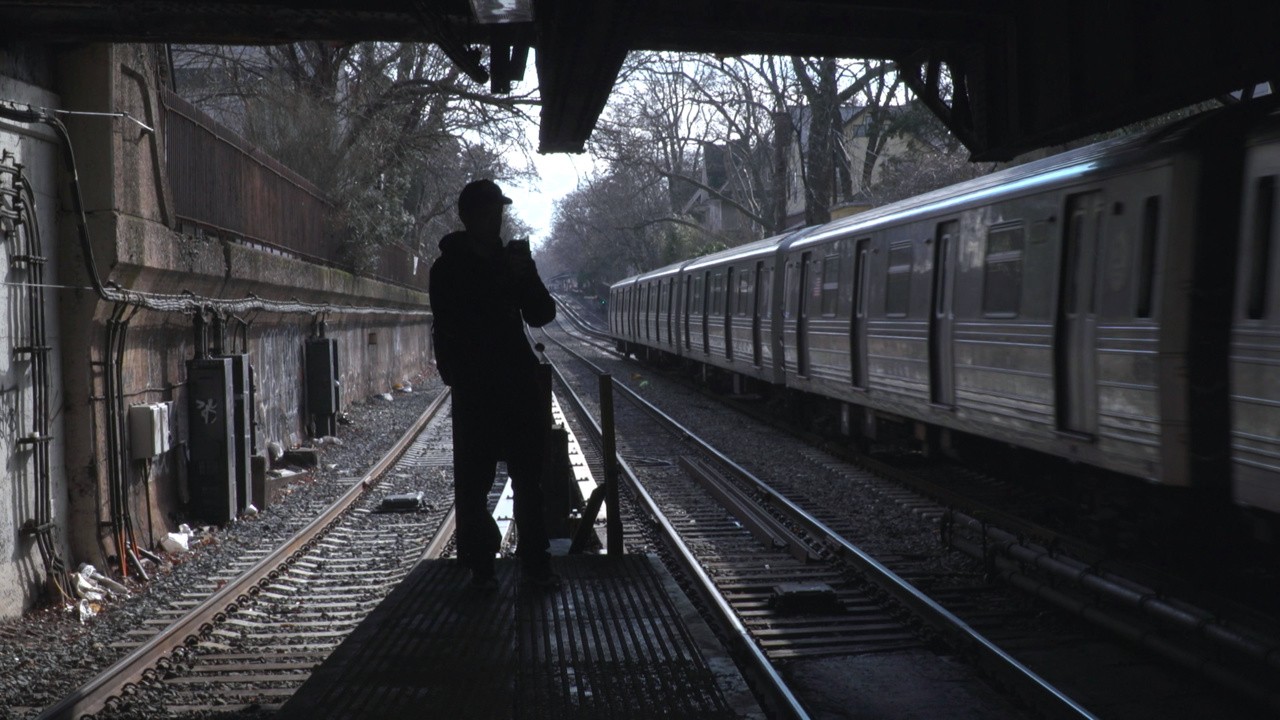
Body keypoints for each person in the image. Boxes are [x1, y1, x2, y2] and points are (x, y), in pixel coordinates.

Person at [428, 179, 559, 590]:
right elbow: (457, 320)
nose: (497, 218)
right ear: (469, 217)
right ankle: (482, 564)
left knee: (527, 480)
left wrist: (527, 276)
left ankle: (535, 564)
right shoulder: (449, 268)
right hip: (478, 387)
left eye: (498, 211)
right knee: (475, 485)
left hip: (514, 385)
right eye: (489, 211)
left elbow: (542, 313)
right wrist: (504, 278)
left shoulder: (510, 261)